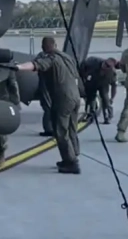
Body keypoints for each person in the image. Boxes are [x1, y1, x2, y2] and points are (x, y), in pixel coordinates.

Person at [16, 36, 82, 174]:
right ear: (55, 45)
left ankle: (71, 162)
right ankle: (74, 153)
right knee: (72, 128)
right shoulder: (67, 57)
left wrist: (18, 67)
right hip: (75, 97)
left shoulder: (51, 59)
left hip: (63, 98)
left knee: (61, 131)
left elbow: (35, 65)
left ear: (43, 47)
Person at [81, 56, 118, 125]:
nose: (105, 66)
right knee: (90, 98)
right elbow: (84, 64)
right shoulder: (94, 61)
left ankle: (107, 116)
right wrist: (84, 76)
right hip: (93, 81)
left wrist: (112, 98)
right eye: (105, 63)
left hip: (104, 84)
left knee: (105, 100)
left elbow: (114, 86)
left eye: (108, 66)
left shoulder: (112, 73)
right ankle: (89, 114)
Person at [36, 51, 54, 137]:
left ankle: (50, 128)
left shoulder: (49, 56)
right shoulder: (43, 57)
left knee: (50, 108)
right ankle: (48, 129)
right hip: (45, 85)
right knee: (48, 108)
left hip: (50, 85)